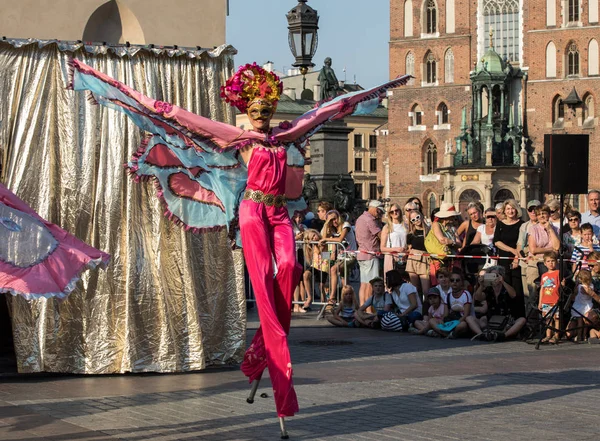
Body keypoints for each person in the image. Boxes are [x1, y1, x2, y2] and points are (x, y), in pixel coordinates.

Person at [70, 58, 411, 421]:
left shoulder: (286, 135)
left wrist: (382, 87)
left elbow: (329, 109)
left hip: (278, 213)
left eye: (266, 109)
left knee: (292, 267)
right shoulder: (238, 138)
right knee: (262, 275)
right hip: (251, 211)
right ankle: (279, 373)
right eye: (255, 110)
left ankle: (261, 351)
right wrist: (115, 87)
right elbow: (179, 116)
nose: (262, 115)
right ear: (246, 111)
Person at [468, 266, 527, 342]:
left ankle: (503, 336)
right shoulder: (488, 289)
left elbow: (513, 294)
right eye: (491, 276)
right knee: (472, 318)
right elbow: (478, 297)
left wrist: (502, 282)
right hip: (492, 319)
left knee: (522, 320)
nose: (494, 278)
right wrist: (481, 285)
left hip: (506, 320)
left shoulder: (506, 287)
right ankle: (482, 335)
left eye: (495, 275)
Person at [494, 199, 525, 315]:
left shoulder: (522, 224)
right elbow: (497, 241)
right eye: (508, 209)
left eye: (512, 208)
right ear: (504, 211)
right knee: (504, 288)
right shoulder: (500, 224)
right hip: (504, 261)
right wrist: (512, 250)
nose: (510, 211)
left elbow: (522, 242)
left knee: (517, 290)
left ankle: (518, 316)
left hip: (517, 261)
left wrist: (516, 257)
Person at [527, 204, 560, 311]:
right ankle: (532, 322)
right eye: (539, 214)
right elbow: (533, 250)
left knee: (550, 292)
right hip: (536, 263)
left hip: (550, 264)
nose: (541, 216)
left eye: (544, 213)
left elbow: (557, 247)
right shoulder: (533, 229)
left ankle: (549, 318)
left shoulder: (555, 229)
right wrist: (551, 250)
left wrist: (550, 229)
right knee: (533, 294)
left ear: (549, 215)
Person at [320, 209, 354, 304]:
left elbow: (340, 239)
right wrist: (327, 224)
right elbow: (322, 237)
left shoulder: (345, 225)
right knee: (344, 279)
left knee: (334, 270)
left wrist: (326, 239)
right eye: (331, 220)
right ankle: (348, 300)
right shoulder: (331, 229)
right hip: (337, 257)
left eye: (335, 218)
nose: (334, 221)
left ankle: (332, 298)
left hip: (350, 255)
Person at [355, 201, 384, 305]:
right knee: (370, 285)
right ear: (376, 209)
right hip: (371, 255)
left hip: (362, 254)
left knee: (363, 284)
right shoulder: (370, 220)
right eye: (380, 212)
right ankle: (368, 310)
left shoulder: (360, 218)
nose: (379, 215)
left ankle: (362, 307)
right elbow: (380, 235)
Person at [439, 270, 472, 338]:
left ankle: (449, 333)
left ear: (462, 282)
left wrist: (455, 324)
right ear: (449, 282)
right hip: (451, 320)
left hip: (462, 320)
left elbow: (466, 315)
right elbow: (445, 315)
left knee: (462, 325)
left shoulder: (466, 294)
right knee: (432, 321)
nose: (454, 282)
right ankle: (449, 333)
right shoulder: (448, 296)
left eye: (457, 280)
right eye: (452, 280)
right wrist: (442, 321)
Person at [406, 209, 431, 296]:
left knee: (426, 291)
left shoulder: (429, 231)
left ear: (421, 216)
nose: (416, 220)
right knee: (415, 290)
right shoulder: (410, 234)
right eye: (413, 220)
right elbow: (409, 248)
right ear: (411, 222)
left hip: (424, 259)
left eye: (417, 217)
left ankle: (426, 308)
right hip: (413, 259)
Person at [381, 203, 408, 280]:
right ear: (389, 214)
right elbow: (382, 248)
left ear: (400, 211)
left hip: (404, 258)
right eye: (392, 212)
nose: (395, 213)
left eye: (396, 210)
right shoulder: (387, 227)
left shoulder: (406, 226)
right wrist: (395, 249)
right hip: (391, 258)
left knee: (404, 282)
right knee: (392, 282)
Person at [538, 251, 560, 344]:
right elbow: (542, 289)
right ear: (545, 263)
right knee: (548, 319)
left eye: (553, 261)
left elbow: (561, 285)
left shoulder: (558, 273)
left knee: (556, 318)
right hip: (546, 301)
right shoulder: (544, 275)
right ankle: (548, 335)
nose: (551, 263)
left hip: (555, 300)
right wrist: (540, 302)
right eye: (548, 261)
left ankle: (556, 335)